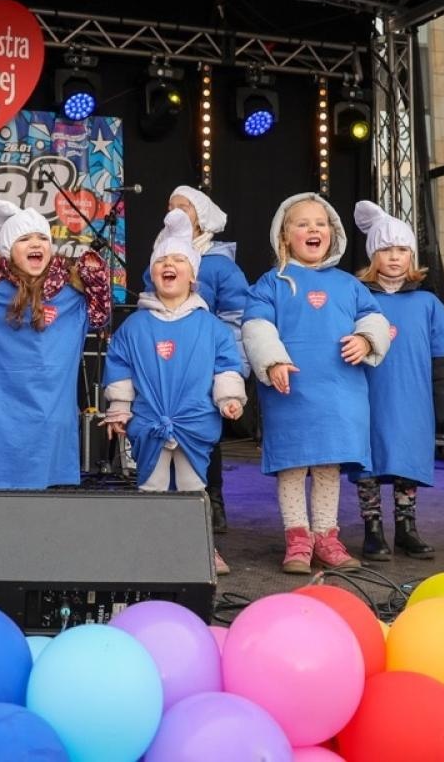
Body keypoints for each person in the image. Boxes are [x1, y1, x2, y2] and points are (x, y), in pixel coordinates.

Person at [242, 192, 391, 574]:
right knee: (292, 466)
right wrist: (273, 360)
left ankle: (326, 537)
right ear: (284, 235)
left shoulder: (348, 285)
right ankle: (298, 538)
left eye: (321, 223)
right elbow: (256, 325)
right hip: (290, 392)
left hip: (339, 392)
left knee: (328, 466)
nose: (314, 229)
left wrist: (366, 339)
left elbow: (374, 318)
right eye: (303, 223)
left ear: (333, 232)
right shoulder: (272, 283)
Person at [105, 211, 247, 574]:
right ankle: (151, 549)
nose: (169, 265)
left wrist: (230, 398)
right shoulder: (134, 326)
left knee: (192, 484)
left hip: (194, 420)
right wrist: (119, 407)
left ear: (193, 275)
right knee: (151, 483)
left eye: (179, 260)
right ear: (151, 273)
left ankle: (201, 549)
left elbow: (226, 366)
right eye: (161, 260)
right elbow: (120, 366)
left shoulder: (211, 326)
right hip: (150, 420)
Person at [0, 200, 112, 489]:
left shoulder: (69, 296)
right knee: (1, 506)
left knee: (49, 509)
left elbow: (100, 316)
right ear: (7, 249)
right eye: (24, 238)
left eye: (42, 237)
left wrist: (95, 277)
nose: (36, 243)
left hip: (51, 422)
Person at [350, 201, 444, 561]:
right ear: (373, 255)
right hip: (368, 394)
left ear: (412, 256)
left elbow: (443, 355)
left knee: (407, 460)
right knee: (368, 461)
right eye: (386, 249)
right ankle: (372, 529)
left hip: (412, 397)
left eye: (402, 249)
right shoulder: (358, 297)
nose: (395, 257)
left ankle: (406, 527)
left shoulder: (428, 303)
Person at [141, 186, 250, 535]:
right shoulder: (159, 257)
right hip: (165, 365)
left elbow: (236, 318)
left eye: (183, 206)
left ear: (201, 216)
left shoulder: (219, 266)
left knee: (204, 435)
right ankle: (159, 513)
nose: (174, 211)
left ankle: (211, 501)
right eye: (170, 205)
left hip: (203, 367)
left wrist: (232, 369)